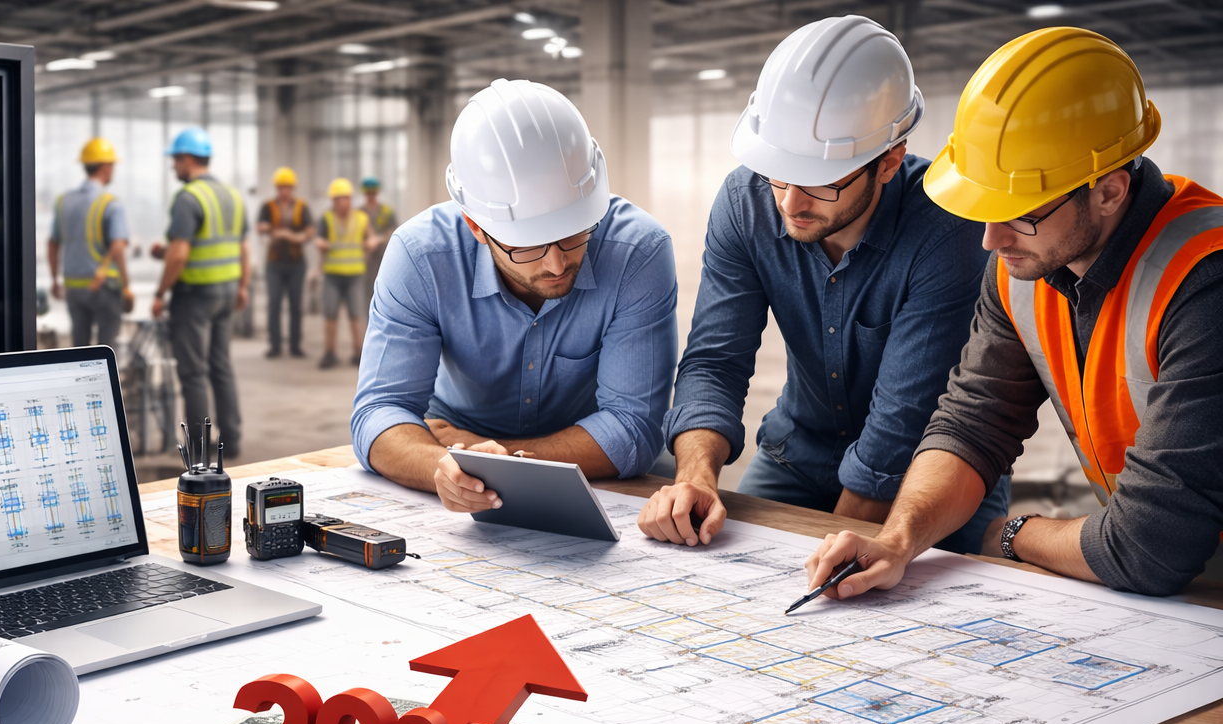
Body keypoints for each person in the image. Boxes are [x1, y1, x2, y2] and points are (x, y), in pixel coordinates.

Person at [806, 27, 1223, 600]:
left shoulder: (1205, 282)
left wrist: (1012, 533)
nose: (990, 240)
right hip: (1172, 590)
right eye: (985, 208)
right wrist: (897, 539)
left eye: (1019, 212)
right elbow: (973, 422)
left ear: (1109, 191)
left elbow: (1148, 547)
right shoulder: (1022, 266)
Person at [639, 16, 1008, 554]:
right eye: (779, 176)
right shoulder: (746, 202)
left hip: (924, 476)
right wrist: (694, 477)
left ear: (888, 162)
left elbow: (900, 421)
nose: (789, 204)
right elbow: (716, 359)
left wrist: (831, 548)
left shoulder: (946, 228)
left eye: (819, 183)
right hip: (798, 454)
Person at [352, 78, 677, 511]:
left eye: (574, 234)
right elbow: (380, 412)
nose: (556, 264)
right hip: (458, 467)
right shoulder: (421, 256)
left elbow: (633, 429)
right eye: (526, 246)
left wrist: (484, 456)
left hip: (597, 479)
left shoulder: (638, 252)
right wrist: (441, 466)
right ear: (476, 227)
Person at [151, 127, 250, 455]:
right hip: (226, 291)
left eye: (175, 160)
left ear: (187, 159)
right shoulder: (232, 196)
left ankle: (199, 446)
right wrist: (243, 285)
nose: (172, 167)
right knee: (220, 366)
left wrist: (160, 292)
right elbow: (242, 248)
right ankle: (232, 440)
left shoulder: (188, 198)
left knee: (193, 372)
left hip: (195, 297)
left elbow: (180, 254)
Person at [47, 138, 131, 347]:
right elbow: (118, 246)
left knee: (80, 348)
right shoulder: (110, 203)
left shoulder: (63, 201)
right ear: (105, 167)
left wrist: (55, 279)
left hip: (73, 287)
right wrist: (127, 286)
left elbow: (52, 243)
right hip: (103, 286)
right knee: (107, 347)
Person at [315, 177, 376, 369]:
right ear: (333, 201)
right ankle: (330, 352)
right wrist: (320, 244)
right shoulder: (326, 218)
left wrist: (371, 242)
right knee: (330, 314)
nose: (343, 202)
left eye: (346, 198)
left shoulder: (361, 218)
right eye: (339, 198)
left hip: (355, 274)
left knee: (355, 314)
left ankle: (359, 353)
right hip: (332, 273)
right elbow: (319, 239)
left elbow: (371, 237)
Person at [257, 166, 313, 359]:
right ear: (276, 188)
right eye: (281, 187)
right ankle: (275, 345)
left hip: (296, 263)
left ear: (293, 188)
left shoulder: (301, 207)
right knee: (274, 305)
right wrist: (270, 230)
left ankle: (295, 345)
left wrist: (291, 236)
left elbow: (310, 231)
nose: (284, 191)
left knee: (296, 306)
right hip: (274, 263)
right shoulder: (268, 206)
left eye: (288, 187)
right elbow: (260, 227)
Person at [361, 175, 397, 298]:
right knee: (367, 290)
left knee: (385, 287)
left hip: (384, 254)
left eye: (373, 192)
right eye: (368, 192)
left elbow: (394, 230)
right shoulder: (359, 212)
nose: (371, 195)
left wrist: (380, 238)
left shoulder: (386, 211)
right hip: (366, 257)